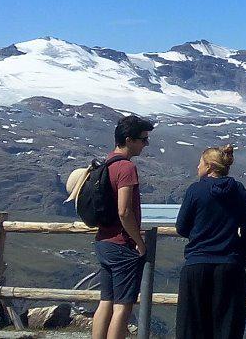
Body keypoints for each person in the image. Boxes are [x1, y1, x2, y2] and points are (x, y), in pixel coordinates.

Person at [175, 145, 246, 339]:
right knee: (227, 327)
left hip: (197, 263)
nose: (197, 166)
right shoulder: (238, 190)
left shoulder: (196, 190)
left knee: (192, 327)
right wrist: (245, 253)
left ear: (209, 166)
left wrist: (197, 235)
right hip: (230, 264)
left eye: (200, 163)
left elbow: (181, 226)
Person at [92, 114, 154, 339]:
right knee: (123, 306)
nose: (145, 144)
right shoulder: (126, 168)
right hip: (121, 245)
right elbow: (124, 211)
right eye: (143, 139)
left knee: (105, 301)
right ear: (129, 140)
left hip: (103, 241)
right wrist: (139, 241)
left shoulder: (106, 163)